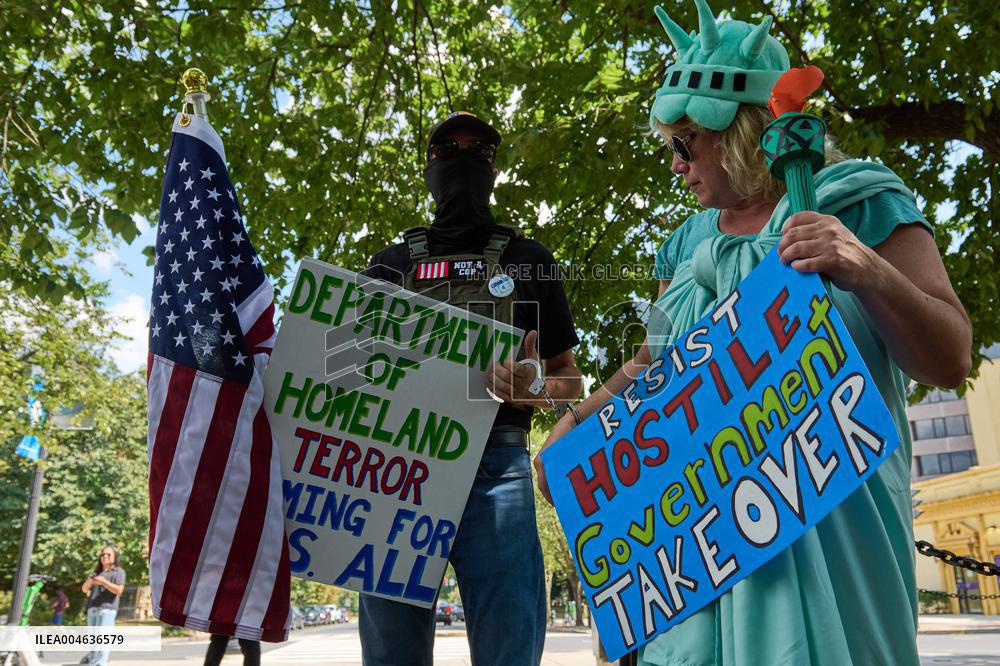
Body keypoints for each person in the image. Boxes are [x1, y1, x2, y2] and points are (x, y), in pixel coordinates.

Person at [535, 2, 972, 665]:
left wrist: (863, 266)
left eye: (686, 145)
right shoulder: (681, 245)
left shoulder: (856, 199)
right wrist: (578, 425)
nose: (676, 166)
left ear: (741, 129)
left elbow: (950, 358)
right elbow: (654, 365)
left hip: (837, 530)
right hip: (704, 542)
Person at [360, 111, 583, 666]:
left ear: (493, 168)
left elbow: (571, 380)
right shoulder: (386, 266)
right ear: (428, 165)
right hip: (399, 473)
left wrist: (535, 389)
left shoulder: (531, 260)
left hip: (497, 472)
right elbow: (348, 378)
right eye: (449, 148)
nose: (463, 156)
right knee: (391, 654)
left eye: (477, 149)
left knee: (510, 650)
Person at [81, 545, 126, 666]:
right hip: (93, 609)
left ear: (115, 557)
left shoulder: (118, 572)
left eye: (108, 554)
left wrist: (104, 582)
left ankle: (100, 664)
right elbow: (84, 590)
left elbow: (119, 590)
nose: (105, 556)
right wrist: (89, 581)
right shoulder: (96, 572)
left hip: (107, 610)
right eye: (102, 554)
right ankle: (92, 663)